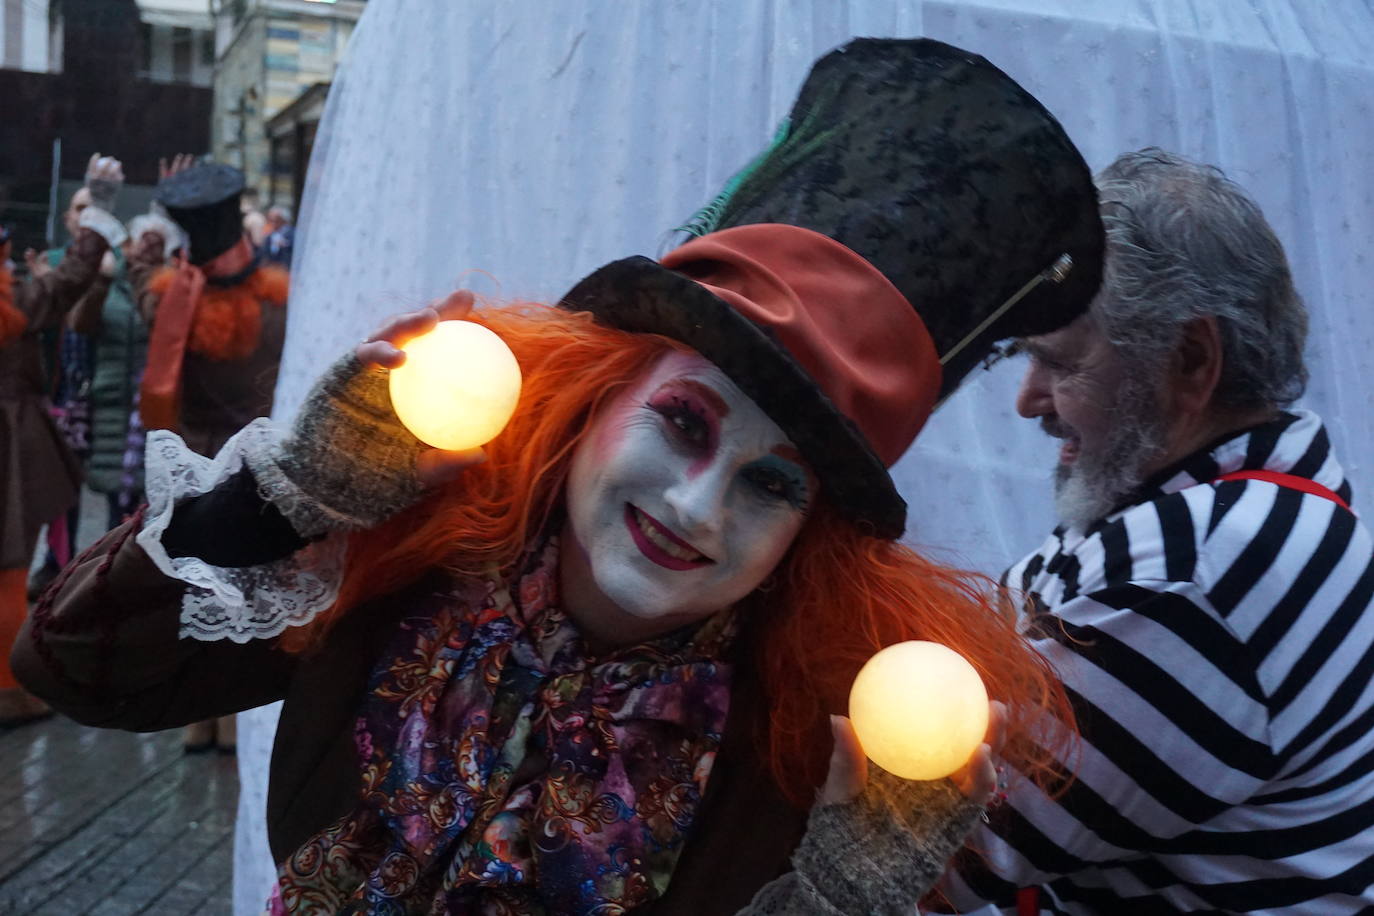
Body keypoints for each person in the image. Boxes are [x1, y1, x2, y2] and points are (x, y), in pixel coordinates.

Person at [15, 40, 1103, 912]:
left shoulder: (796, 743)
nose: (693, 503)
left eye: (774, 486)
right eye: (681, 420)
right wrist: (286, 495)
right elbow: (72, 666)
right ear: (598, 399)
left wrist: (836, 901)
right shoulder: (405, 557)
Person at [936, 149, 1374, 913]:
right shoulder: (1240, 501)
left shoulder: (1198, 574)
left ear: (1192, 360)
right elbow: (985, 634)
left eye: (1062, 363)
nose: (1028, 401)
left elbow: (931, 852)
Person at [132, 160, 290, 752]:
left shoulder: (170, 305)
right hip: (251, 465)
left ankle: (197, 718)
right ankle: (231, 722)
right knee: (241, 594)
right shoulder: (277, 312)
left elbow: (139, 276)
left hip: (185, 464)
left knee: (190, 588)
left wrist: (154, 235)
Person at [0, 154, 127, 725]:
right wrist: (99, 208)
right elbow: (66, 282)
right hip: (8, 442)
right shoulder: (12, 306)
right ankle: (5, 689)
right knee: (6, 566)